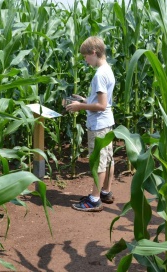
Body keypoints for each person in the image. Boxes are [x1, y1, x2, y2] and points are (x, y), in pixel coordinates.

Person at [65, 36, 116, 212]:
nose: (85, 60)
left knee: (98, 162)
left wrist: (80, 106)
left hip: (98, 125)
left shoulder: (99, 74)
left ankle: (94, 200)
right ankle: (105, 192)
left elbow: (101, 105)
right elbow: (103, 101)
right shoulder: (107, 69)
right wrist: (86, 100)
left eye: (86, 56)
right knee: (108, 159)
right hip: (107, 122)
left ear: (94, 52)